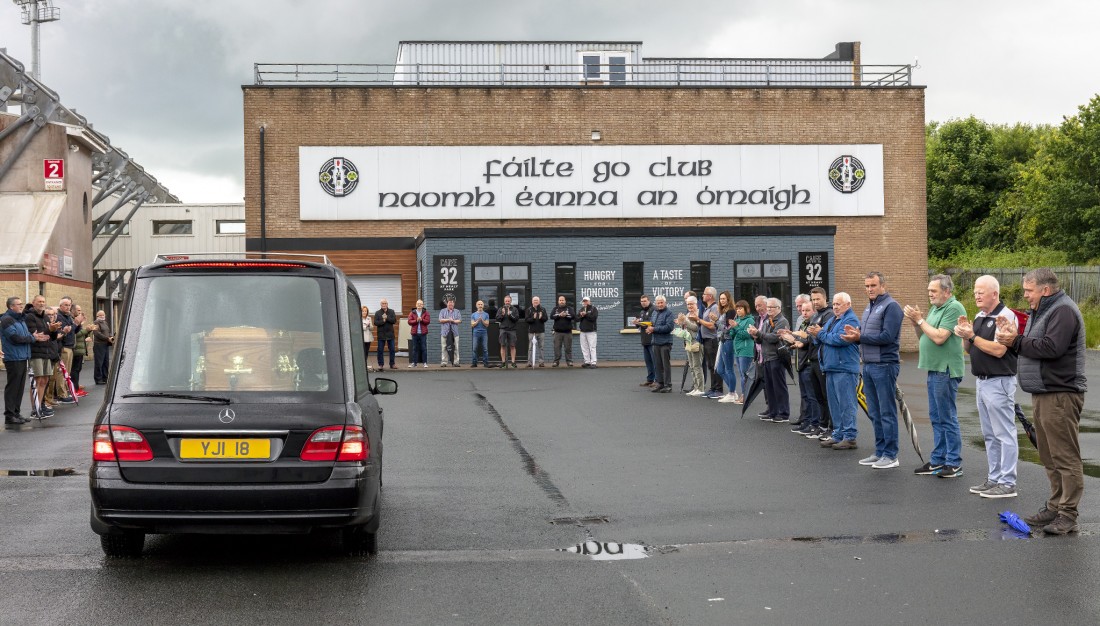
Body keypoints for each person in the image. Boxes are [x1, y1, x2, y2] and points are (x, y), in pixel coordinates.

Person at [996, 268, 1088, 535]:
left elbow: (1051, 348)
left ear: (1045, 290)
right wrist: (1015, 338)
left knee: (1065, 457)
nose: (1025, 296)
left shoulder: (1063, 311)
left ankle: (1068, 514)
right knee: (1049, 455)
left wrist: (1017, 341)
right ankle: (1055, 506)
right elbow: (1033, 343)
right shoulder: (1045, 310)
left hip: (1060, 394)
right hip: (1044, 393)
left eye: (1029, 290)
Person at [954, 275, 1019, 499]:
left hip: (999, 381)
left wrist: (972, 336)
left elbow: (1000, 350)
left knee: (1004, 433)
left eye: (981, 291)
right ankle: (994, 479)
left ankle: (1008, 482)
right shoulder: (980, 316)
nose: (976, 295)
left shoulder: (1005, 316)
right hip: (982, 381)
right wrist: (965, 333)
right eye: (975, 291)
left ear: (994, 293)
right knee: (990, 435)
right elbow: (970, 349)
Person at [904, 274, 967, 475]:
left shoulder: (954, 307)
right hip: (934, 368)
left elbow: (940, 337)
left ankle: (954, 461)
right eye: (929, 291)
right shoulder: (935, 308)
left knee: (946, 417)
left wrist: (920, 319)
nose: (930, 294)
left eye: (934, 291)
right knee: (936, 416)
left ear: (947, 292)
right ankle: (938, 459)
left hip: (946, 369)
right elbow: (924, 336)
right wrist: (916, 323)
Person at [841, 272, 904, 467]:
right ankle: (880, 451)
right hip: (868, 365)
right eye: (867, 286)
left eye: (873, 285)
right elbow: (868, 334)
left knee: (886, 412)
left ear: (882, 285)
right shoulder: (870, 307)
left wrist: (859, 337)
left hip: (884, 365)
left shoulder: (891, 306)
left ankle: (891, 455)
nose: (869, 289)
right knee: (875, 412)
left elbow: (887, 337)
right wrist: (857, 334)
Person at [813, 292, 861, 450]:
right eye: (833, 304)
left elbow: (839, 339)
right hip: (831, 368)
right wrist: (818, 334)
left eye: (838, 304)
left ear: (848, 304)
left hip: (844, 368)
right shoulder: (833, 320)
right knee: (835, 404)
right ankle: (838, 434)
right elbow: (822, 337)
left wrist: (820, 333)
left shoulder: (851, 319)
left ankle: (850, 436)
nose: (835, 307)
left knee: (846, 403)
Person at [2, 296, 46, 424]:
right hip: (13, 358)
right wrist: (33, 338)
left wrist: (31, 337)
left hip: (22, 357)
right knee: (13, 387)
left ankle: (16, 413)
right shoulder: (7, 320)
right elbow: (15, 338)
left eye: (21, 304)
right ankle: (9, 415)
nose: (22, 306)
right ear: (11, 307)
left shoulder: (20, 320)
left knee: (20, 387)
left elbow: (25, 336)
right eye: (18, 304)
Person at [781, 299, 822, 435]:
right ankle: (806, 421)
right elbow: (801, 341)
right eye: (802, 310)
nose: (804, 313)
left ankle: (814, 423)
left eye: (807, 310)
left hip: (809, 363)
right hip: (801, 363)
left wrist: (801, 340)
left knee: (812, 397)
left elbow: (810, 341)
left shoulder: (813, 325)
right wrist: (791, 338)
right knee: (805, 396)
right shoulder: (804, 323)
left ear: (813, 311)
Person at [749, 298, 790, 422]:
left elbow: (774, 338)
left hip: (776, 357)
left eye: (771, 307)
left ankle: (783, 413)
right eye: (768, 307)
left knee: (779, 386)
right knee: (770, 387)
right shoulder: (768, 321)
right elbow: (762, 339)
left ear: (779, 308)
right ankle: (773, 411)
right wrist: (755, 336)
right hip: (766, 357)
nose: (769, 309)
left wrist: (759, 334)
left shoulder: (782, 321)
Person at [804, 288, 835, 438]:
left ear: (825, 298)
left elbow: (823, 335)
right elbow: (811, 336)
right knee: (819, 396)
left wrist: (815, 334)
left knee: (826, 395)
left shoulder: (829, 314)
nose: (815, 302)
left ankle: (831, 427)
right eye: (813, 299)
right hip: (813, 359)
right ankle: (822, 426)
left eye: (818, 299)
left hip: (822, 360)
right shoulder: (815, 315)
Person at [25, 296, 59, 418]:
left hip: (47, 351)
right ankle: (35, 408)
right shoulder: (29, 317)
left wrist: (54, 330)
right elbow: (37, 335)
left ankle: (40, 406)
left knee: (44, 380)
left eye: (43, 301)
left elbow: (52, 337)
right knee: (37, 381)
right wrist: (49, 329)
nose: (41, 303)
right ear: (33, 303)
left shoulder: (45, 316)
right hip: (36, 353)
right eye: (39, 301)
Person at [46, 297, 76, 405]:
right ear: (60, 306)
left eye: (69, 305)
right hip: (63, 347)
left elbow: (73, 328)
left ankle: (61, 393)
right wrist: (65, 330)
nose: (68, 307)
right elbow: (60, 333)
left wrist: (75, 324)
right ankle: (61, 394)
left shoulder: (68, 316)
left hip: (68, 346)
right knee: (61, 372)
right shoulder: (60, 317)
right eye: (66, 305)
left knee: (65, 372)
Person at [696, 287, 722, 398]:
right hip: (706, 340)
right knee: (710, 365)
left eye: (704, 294)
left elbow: (712, 326)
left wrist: (698, 320)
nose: (702, 295)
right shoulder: (708, 308)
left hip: (712, 340)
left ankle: (718, 389)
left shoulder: (715, 308)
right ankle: (713, 387)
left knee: (715, 365)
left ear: (710, 296)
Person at [730, 299, 756, 405]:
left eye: (740, 308)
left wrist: (736, 327)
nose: (738, 310)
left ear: (746, 309)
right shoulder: (738, 320)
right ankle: (744, 395)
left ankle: (745, 396)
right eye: (737, 309)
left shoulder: (749, 320)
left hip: (746, 350)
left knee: (745, 374)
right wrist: (732, 328)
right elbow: (733, 334)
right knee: (741, 374)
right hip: (737, 350)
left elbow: (746, 335)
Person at [648, 295, 675, 393]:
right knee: (657, 364)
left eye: (661, 302)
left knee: (665, 365)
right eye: (658, 303)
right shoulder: (654, 312)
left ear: (665, 303)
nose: (659, 304)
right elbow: (652, 324)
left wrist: (654, 329)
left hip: (665, 343)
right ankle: (660, 383)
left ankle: (668, 385)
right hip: (655, 342)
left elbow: (669, 327)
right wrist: (648, 328)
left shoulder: (669, 313)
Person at [679, 296, 704, 395]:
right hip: (688, 342)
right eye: (688, 304)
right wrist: (681, 323)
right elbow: (686, 328)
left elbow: (696, 328)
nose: (689, 306)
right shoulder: (688, 314)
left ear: (696, 304)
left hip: (696, 342)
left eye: (691, 304)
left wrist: (685, 321)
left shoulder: (699, 314)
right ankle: (695, 386)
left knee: (697, 366)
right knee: (692, 366)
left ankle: (700, 388)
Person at [634, 294, 656, 387]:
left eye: (645, 301)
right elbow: (641, 324)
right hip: (644, 340)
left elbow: (651, 323)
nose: (643, 303)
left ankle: (657, 380)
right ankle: (650, 379)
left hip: (652, 340)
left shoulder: (653, 310)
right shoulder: (642, 311)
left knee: (655, 361)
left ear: (649, 301)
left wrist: (640, 322)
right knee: (648, 361)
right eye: (641, 301)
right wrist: (636, 323)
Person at [71, 305, 90, 395]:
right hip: (76, 349)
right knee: (74, 370)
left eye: (80, 310)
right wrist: (86, 330)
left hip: (80, 348)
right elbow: (75, 334)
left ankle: (76, 387)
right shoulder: (73, 321)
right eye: (78, 310)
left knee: (78, 369)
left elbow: (80, 334)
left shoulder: (77, 322)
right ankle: (74, 388)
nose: (80, 312)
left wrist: (88, 331)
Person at [551, 295, 575, 367]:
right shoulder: (555, 309)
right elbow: (551, 316)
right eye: (560, 300)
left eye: (563, 300)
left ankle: (569, 361)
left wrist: (566, 315)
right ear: (558, 301)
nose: (561, 301)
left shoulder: (569, 308)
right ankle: (556, 361)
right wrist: (559, 315)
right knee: (557, 348)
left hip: (567, 332)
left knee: (568, 348)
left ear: (565, 301)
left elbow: (573, 316)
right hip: (557, 332)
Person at [496, 295, 519, 368]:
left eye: (508, 301)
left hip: (512, 330)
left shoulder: (515, 309)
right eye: (506, 301)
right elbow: (497, 319)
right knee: (502, 345)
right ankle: (503, 362)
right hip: (503, 329)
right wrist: (502, 315)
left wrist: (510, 315)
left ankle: (513, 362)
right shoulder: (500, 309)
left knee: (512, 346)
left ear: (511, 301)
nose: (507, 302)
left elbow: (516, 319)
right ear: (504, 301)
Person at [374, 300, 397, 370]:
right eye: (382, 303)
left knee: (392, 349)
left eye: (385, 303)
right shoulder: (377, 313)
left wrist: (387, 318)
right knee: (380, 350)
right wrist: (383, 321)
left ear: (387, 304)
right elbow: (376, 323)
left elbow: (394, 321)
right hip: (381, 334)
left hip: (390, 334)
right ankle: (380, 364)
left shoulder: (391, 311)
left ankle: (392, 364)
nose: (384, 304)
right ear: (381, 304)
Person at [525, 296, 548, 367]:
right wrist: (533, 318)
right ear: (532, 302)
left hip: (541, 331)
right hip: (532, 332)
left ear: (539, 301)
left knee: (541, 347)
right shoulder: (529, 310)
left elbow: (546, 319)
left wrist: (541, 318)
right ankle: (529, 362)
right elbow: (527, 320)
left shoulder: (542, 309)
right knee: (530, 348)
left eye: (537, 301)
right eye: (534, 300)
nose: (536, 302)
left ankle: (541, 362)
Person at [407, 300, 431, 368]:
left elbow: (428, 321)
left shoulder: (426, 312)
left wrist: (422, 320)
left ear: (423, 305)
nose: (419, 305)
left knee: (424, 348)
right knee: (415, 348)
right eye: (418, 304)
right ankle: (414, 363)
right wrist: (416, 320)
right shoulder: (412, 312)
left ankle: (425, 363)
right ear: (416, 304)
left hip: (423, 333)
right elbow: (409, 321)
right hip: (415, 333)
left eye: (421, 304)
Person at [92, 310, 113, 384]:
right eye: (100, 315)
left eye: (103, 315)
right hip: (99, 345)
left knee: (105, 362)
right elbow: (97, 333)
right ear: (97, 316)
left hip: (105, 344)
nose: (102, 316)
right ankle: (98, 379)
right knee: (99, 362)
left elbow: (108, 331)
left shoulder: (105, 322)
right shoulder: (96, 323)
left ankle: (105, 377)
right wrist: (107, 338)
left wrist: (110, 336)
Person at [438, 298, 461, 367]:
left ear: (454, 304)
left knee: (456, 347)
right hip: (444, 333)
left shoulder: (457, 311)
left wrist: (453, 321)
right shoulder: (442, 311)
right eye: (449, 302)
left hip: (455, 333)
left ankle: (456, 362)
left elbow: (459, 320)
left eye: (452, 302)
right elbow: (440, 320)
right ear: (447, 304)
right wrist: (448, 320)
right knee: (444, 347)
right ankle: (444, 362)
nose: (451, 304)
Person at [577, 296, 599, 368]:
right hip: (583, 331)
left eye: (586, 301)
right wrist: (581, 315)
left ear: (589, 301)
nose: (585, 302)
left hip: (591, 331)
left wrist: (586, 314)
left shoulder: (593, 309)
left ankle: (593, 362)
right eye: (584, 301)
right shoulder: (581, 309)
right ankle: (587, 362)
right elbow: (576, 319)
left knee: (592, 347)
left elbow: (594, 318)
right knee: (584, 347)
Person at [470, 300, 491, 367]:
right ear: (476, 306)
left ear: (483, 305)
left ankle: (485, 363)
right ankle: (474, 363)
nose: (480, 306)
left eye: (481, 304)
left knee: (485, 348)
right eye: (479, 304)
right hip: (476, 333)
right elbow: (472, 324)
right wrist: (477, 321)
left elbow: (487, 324)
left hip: (484, 333)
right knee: (475, 348)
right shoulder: (473, 315)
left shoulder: (486, 314)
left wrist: (482, 320)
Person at [361, 305, 374, 371]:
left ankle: (365, 364)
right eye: (363, 311)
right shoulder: (359, 318)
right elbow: (361, 328)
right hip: (362, 338)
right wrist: (366, 326)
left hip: (368, 338)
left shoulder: (369, 318)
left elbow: (372, 328)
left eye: (365, 311)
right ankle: (362, 365)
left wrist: (369, 326)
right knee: (362, 352)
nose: (364, 312)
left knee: (366, 352)